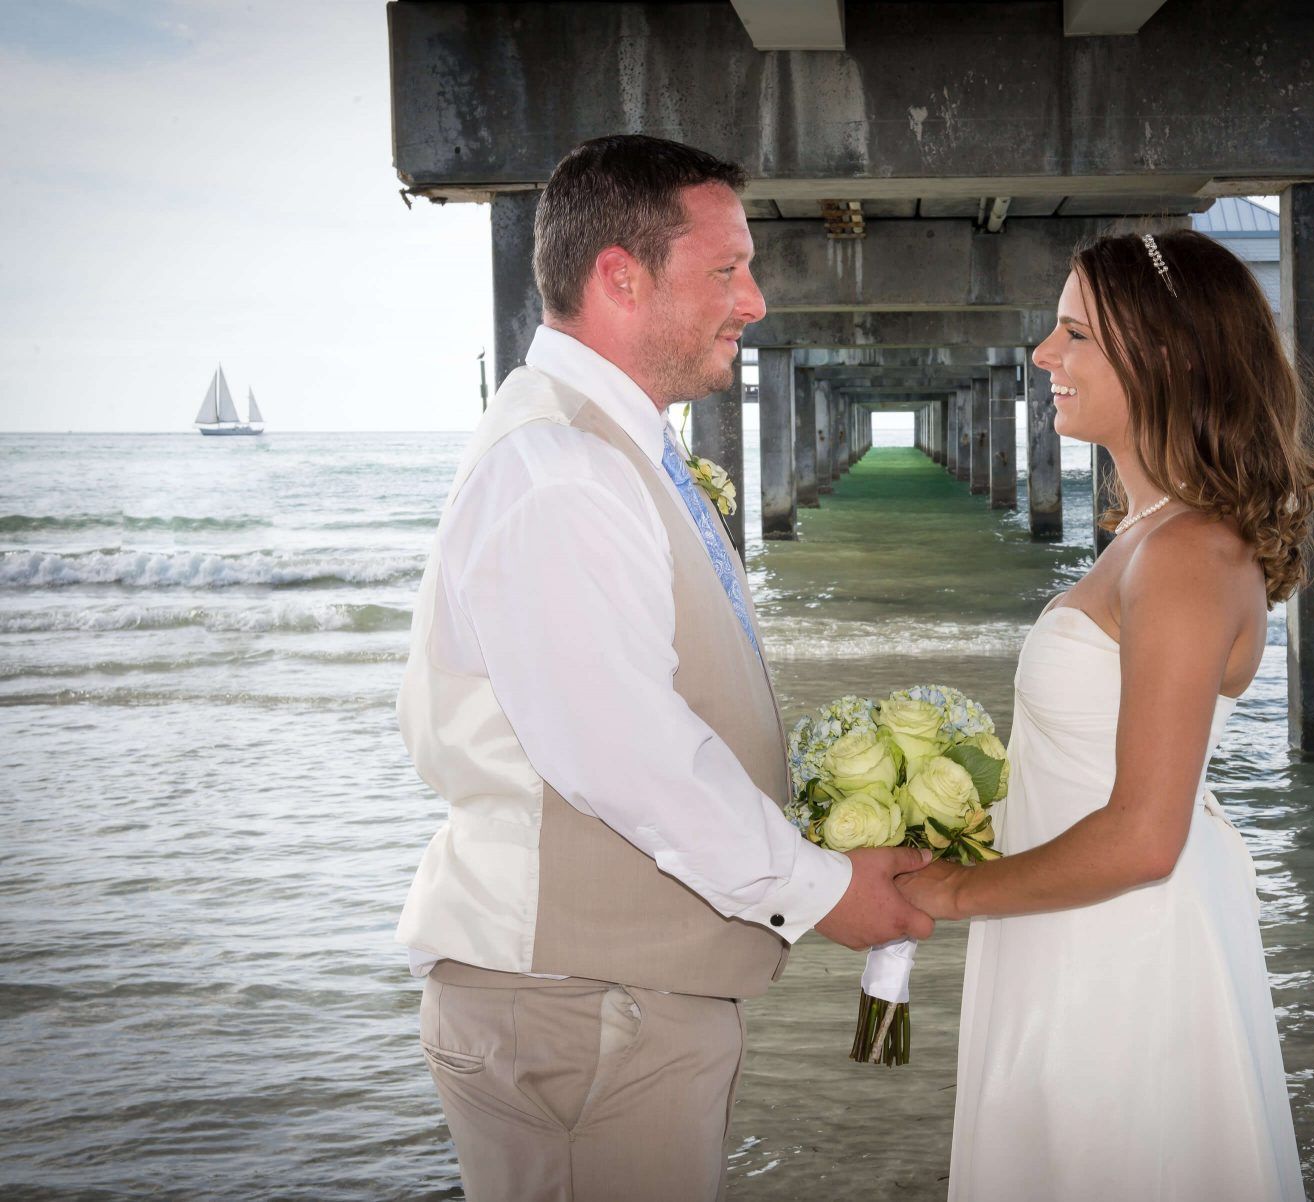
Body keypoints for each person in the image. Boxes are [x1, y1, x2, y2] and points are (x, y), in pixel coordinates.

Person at [393, 134, 933, 1202]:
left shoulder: (613, 449)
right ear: (620, 277)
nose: (758, 300)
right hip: (584, 1004)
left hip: (610, 999)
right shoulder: (560, 471)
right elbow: (629, 754)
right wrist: (825, 893)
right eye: (727, 269)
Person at [899, 229, 1314, 1201]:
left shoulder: (1185, 554)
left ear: (1168, 355)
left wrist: (946, 894)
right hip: (1075, 929)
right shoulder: (1151, 534)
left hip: (1122, 957)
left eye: (1076, 334)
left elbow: (1144, 835)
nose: (1045, 356)